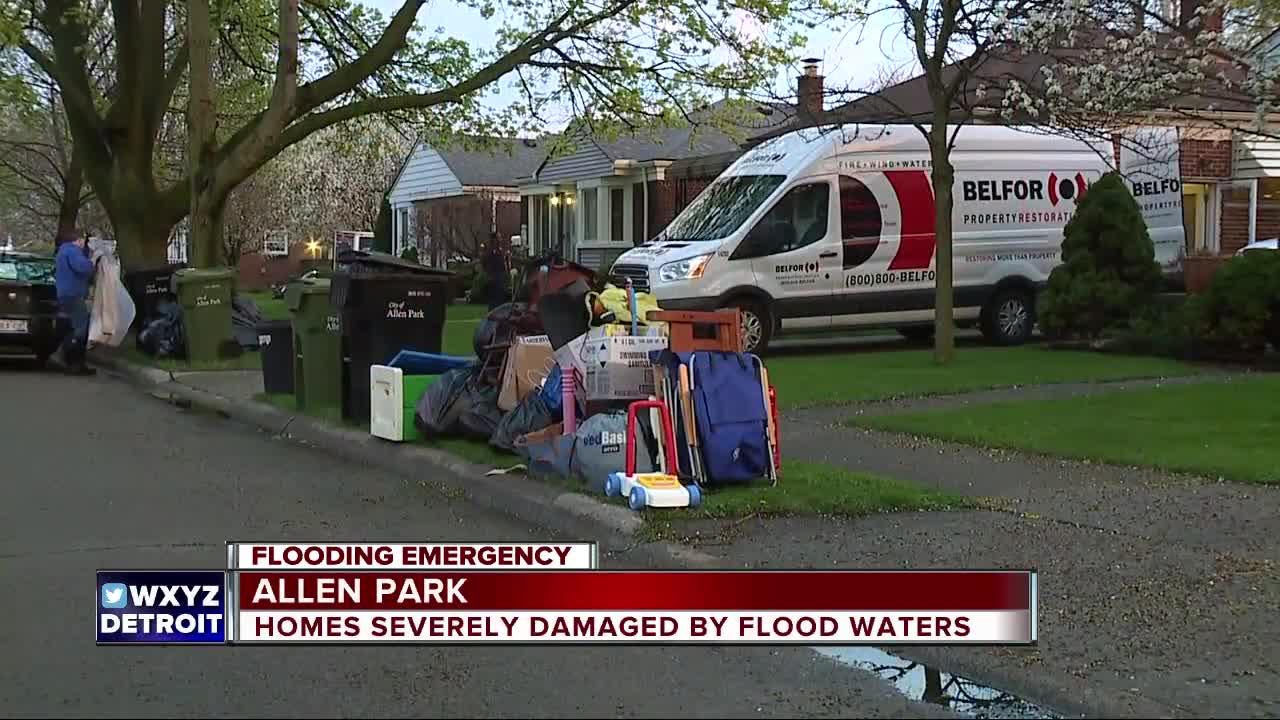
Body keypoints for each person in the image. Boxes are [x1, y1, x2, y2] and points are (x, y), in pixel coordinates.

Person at [54, 231, 97, 375]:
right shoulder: (73, 252)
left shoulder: (62, 252)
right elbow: (83, 268)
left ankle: (72, 361)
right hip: (74, 294)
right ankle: (71, 359)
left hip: (64, 294)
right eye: (83, 242)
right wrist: (93, 259)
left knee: (71, 327)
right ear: (78, 241)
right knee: (80, 328)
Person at [483, 234, 510, 310]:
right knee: (494, 300)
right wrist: (490, 275)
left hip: (500, 278)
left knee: (500, 299)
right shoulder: (491, 252)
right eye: (499, 238)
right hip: (495, 278)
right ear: (494, 240)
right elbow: (485, 263)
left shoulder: (500, 251)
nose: (500, 239)